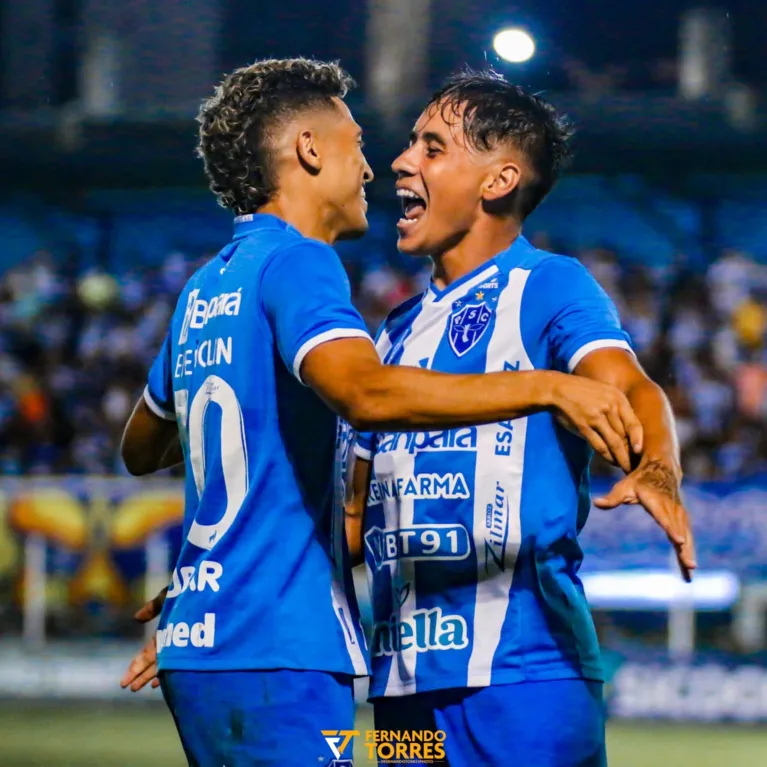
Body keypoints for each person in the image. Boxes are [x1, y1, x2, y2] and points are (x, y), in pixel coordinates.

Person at [118, 58, 645, 767]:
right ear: (308, 149)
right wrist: (546, 386)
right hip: (291, 649)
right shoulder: (303, 267)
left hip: (253, 646)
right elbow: (364, 393)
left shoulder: (203, 288)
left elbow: (142, 447)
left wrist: (219, 579)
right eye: (356, 143)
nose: (374, 166)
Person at [345, 70, 695, 767]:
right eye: (412, 143)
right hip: (401, 682)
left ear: (498, 180)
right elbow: (351, 520)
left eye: (432, 147)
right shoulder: (391, 331)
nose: (401, 161)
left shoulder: (547, 284)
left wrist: (655, 463)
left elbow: (628, 385)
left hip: (525, 675)